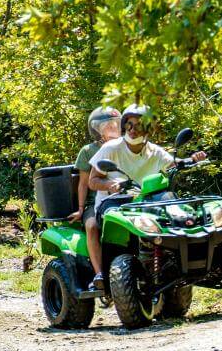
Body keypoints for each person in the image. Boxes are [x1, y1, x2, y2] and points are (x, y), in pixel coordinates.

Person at [85, 104, 207, 288]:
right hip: (114, 203)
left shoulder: (154, 151)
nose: (133, 130)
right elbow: (92, 181)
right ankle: (102, 274)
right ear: (124, 126)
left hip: (146, 202)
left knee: (172, 204)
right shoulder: (111, 148)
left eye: (139, 125)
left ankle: (180, 261)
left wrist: (193, 159)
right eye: (129, 125)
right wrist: (110, 185)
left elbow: (174, 164)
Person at [68, 107, 122, 285]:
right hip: (95, 202)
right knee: (91, 226)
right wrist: (81, 209)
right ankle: (99, 274)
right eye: (109, 125)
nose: (114, 127)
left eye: (117, 124)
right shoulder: (88, 151)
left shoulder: (125, 147)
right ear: (97, 129)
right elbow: (84, 183)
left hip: (124, 198)